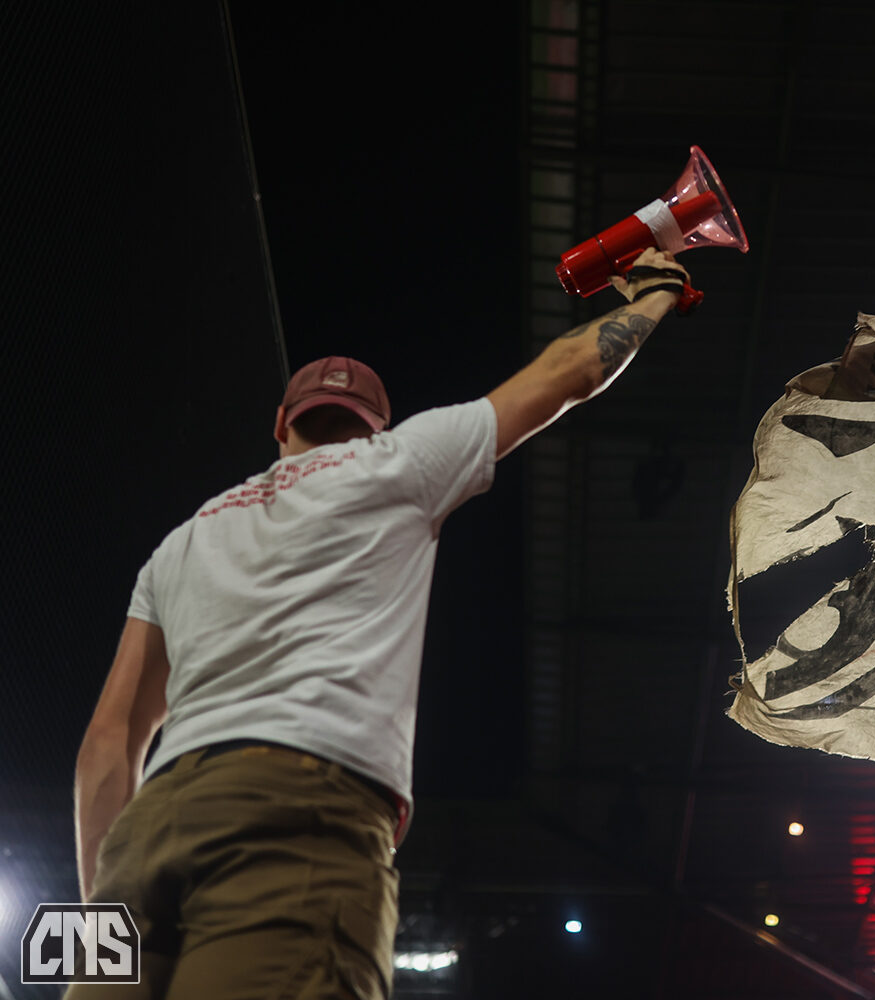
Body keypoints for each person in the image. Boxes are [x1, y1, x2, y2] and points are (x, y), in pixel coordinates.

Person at [68, 250, 691, 999]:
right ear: (375, 428)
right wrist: (658, 289)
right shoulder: (395, 464)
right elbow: (567, 373)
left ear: (280, 425)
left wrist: (106, 913)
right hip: (297, 809)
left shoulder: (185, 538)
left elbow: (107, 743)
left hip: (149, 827)